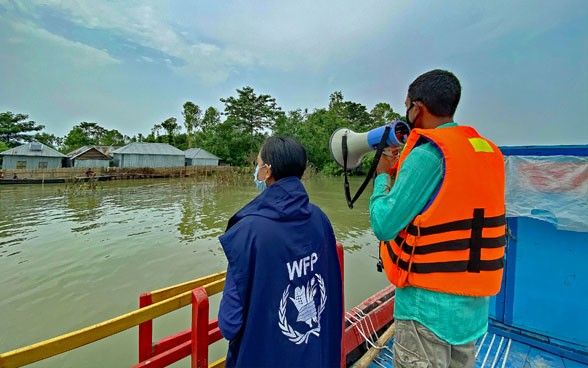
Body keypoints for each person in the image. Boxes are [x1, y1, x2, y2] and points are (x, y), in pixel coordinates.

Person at [370, 70, 506, 368]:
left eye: (407, 106)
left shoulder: (428, 155)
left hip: (426, 312)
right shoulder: (486, 151)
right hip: (469, 312)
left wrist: (382, 175)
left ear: (417, 107)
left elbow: (384, 224)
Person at [218, 136, 343, 368]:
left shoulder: (248, 231)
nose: (257, 170)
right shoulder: (320, 219)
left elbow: (229, 323)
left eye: (258, 164)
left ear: (267, 172)